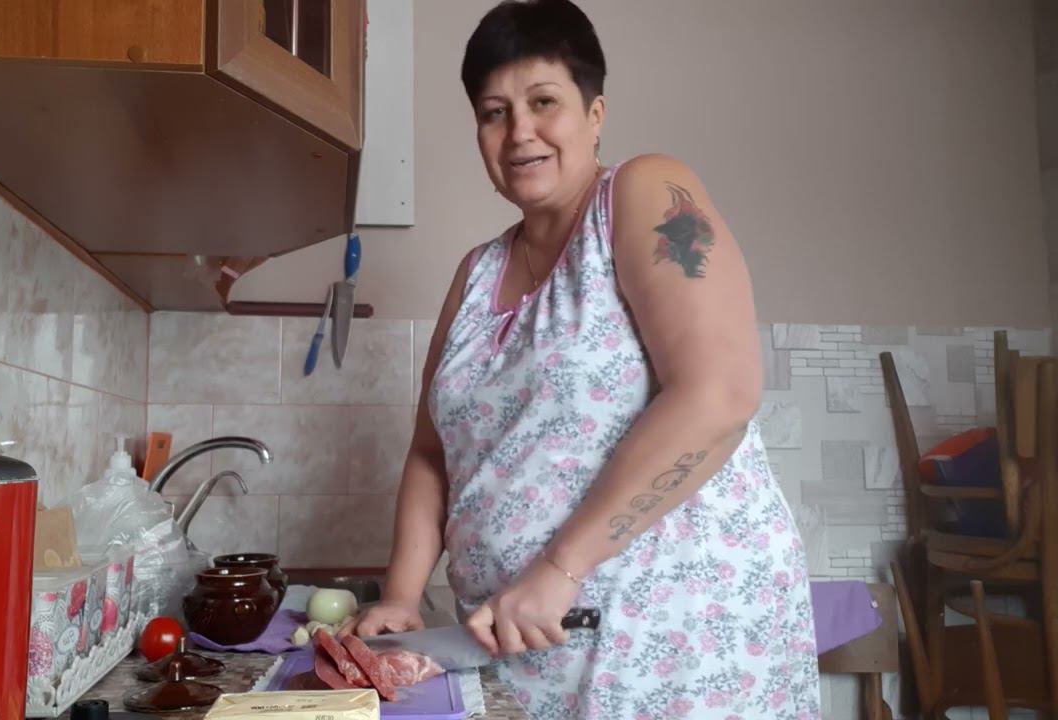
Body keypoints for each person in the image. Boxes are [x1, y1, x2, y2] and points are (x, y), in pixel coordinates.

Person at [341, 1, 820, 717]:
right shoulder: (476, 272)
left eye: (544, 102)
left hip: (679, 641)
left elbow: (719, 392)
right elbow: (431, 454)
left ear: (595, 114)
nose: (518, 132)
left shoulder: (644, 192)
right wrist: (404, 596)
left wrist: (560, 568)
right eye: (494, 113)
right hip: (521, 648)